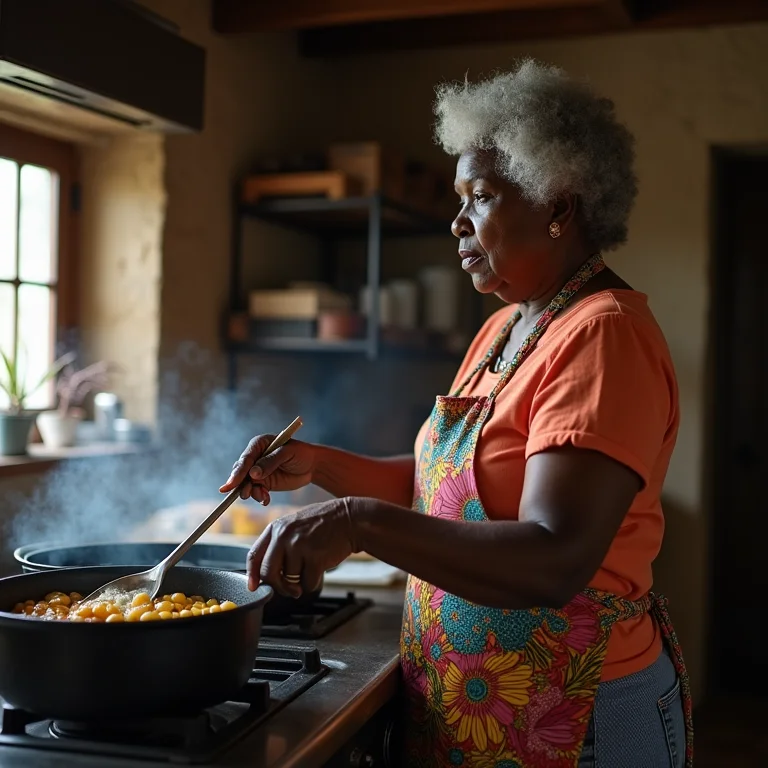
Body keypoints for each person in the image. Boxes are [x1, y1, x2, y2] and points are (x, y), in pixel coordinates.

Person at [220, 59, 692, 768]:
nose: (456, 219)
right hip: (490, 705)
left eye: (480, 196)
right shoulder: (507, 326)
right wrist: (322, 468)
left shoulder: (603, 333)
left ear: (558, 206)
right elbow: (453, 491)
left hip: (579, 715)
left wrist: (354, 521)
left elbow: (554, 557)